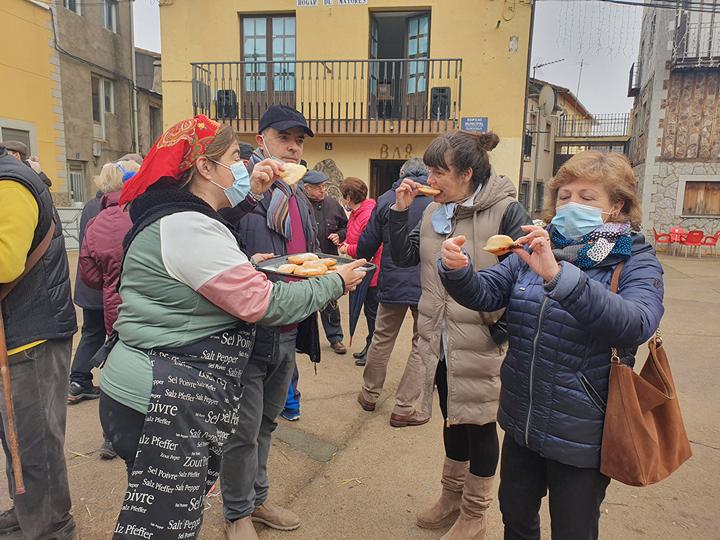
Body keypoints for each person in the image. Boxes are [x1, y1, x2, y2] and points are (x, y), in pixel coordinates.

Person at [99, 115, 366, 540]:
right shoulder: (188, 225)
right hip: (165, 396)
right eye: (233, 158)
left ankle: (251, 503)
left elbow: (204, 276)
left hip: (161, 390)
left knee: (159, 513)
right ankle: (239, 512)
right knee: (161, 526)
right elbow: (264, 302)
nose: (240, 167)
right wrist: (338, 280)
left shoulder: (180, 216)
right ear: (205, 168)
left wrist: (244, 266)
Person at [438, 151, 665, 540]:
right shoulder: (537, 245)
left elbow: (637, 323)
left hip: (583, 429)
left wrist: (561, 278)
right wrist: (457, 271)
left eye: (587, 197)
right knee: (517, 519)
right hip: (523, 419)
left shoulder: (634, 258)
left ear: (617, 206)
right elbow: (488, 293)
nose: (571, 204)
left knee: (573, 530)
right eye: (564, 195)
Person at [389, 131, 530, 540]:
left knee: (481, 425)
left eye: (439, 171)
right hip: (439, 337)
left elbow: (525, 273)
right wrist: (400, 213)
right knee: (453, 419)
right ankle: (451, 499)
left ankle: (475, 515)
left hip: (485, 340)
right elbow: (404, 256)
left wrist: (500, 327)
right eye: (430, 170)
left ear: (467, 174)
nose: (431, 178)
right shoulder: (435, 210)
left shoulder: (506, 210)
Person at [219, 104, 325, 536]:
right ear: (262, 139)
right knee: (242, 432)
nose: (294, 147)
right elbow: (214, 235)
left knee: (266, 423)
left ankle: (257, 501)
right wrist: (254, 197)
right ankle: (237, 515)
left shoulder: (298, 195)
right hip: (249, 328)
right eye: (284, 138)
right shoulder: (240, 186)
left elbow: (306, 252)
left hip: (289, 322)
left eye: (299, 139)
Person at [0, 144, 78, 538]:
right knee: (18, 439)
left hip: (30, 339)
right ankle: (28, 509)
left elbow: (5, 262)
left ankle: (51, 526)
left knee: (35, 443)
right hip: (21, 332)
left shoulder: (10, 182)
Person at [355, 158, 433, 426]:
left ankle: (369, 394)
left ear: (401, 175)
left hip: (392, 280)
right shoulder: (437, 201)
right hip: (427, 284)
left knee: (382, 338)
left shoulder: (387, 199)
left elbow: (366, 245)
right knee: (421, 344)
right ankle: (404, 407)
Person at [79, 160, 139, 460]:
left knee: (114, 370)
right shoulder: (144, 215)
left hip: (113, 309)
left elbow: (88, 275)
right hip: (146, 305)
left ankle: (110, 437)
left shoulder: (96, 222)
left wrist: (109, 281)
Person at [68, 181, 106, 404]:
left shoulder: (91, 205)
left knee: (92, 333)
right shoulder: (117, 207)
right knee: (102, 334)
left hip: (89, 283)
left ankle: (78, 380)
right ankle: (80, 380)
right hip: (104, 286)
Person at [337, 177, 382, 366]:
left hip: (373, 272)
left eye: (343, 196)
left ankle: (372, 350)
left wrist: (348, 249)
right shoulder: (357, 213)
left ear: (349, 197)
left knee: (373, 313)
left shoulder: (367, 214)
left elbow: (369, 246)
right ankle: (368, 346)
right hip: (364, 270)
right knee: (368, 312)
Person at [303, 169, 348, 354]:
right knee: (305, 301)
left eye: (324, 186)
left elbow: (346, 226)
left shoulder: (332, 204)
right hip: (306, 261)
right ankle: (306, 340)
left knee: (330, 300)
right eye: (318, 187)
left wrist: (339, 235)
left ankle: (335, 338)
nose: (323, 190)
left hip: (329, 260)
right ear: (307, 189)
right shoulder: (300, 204)